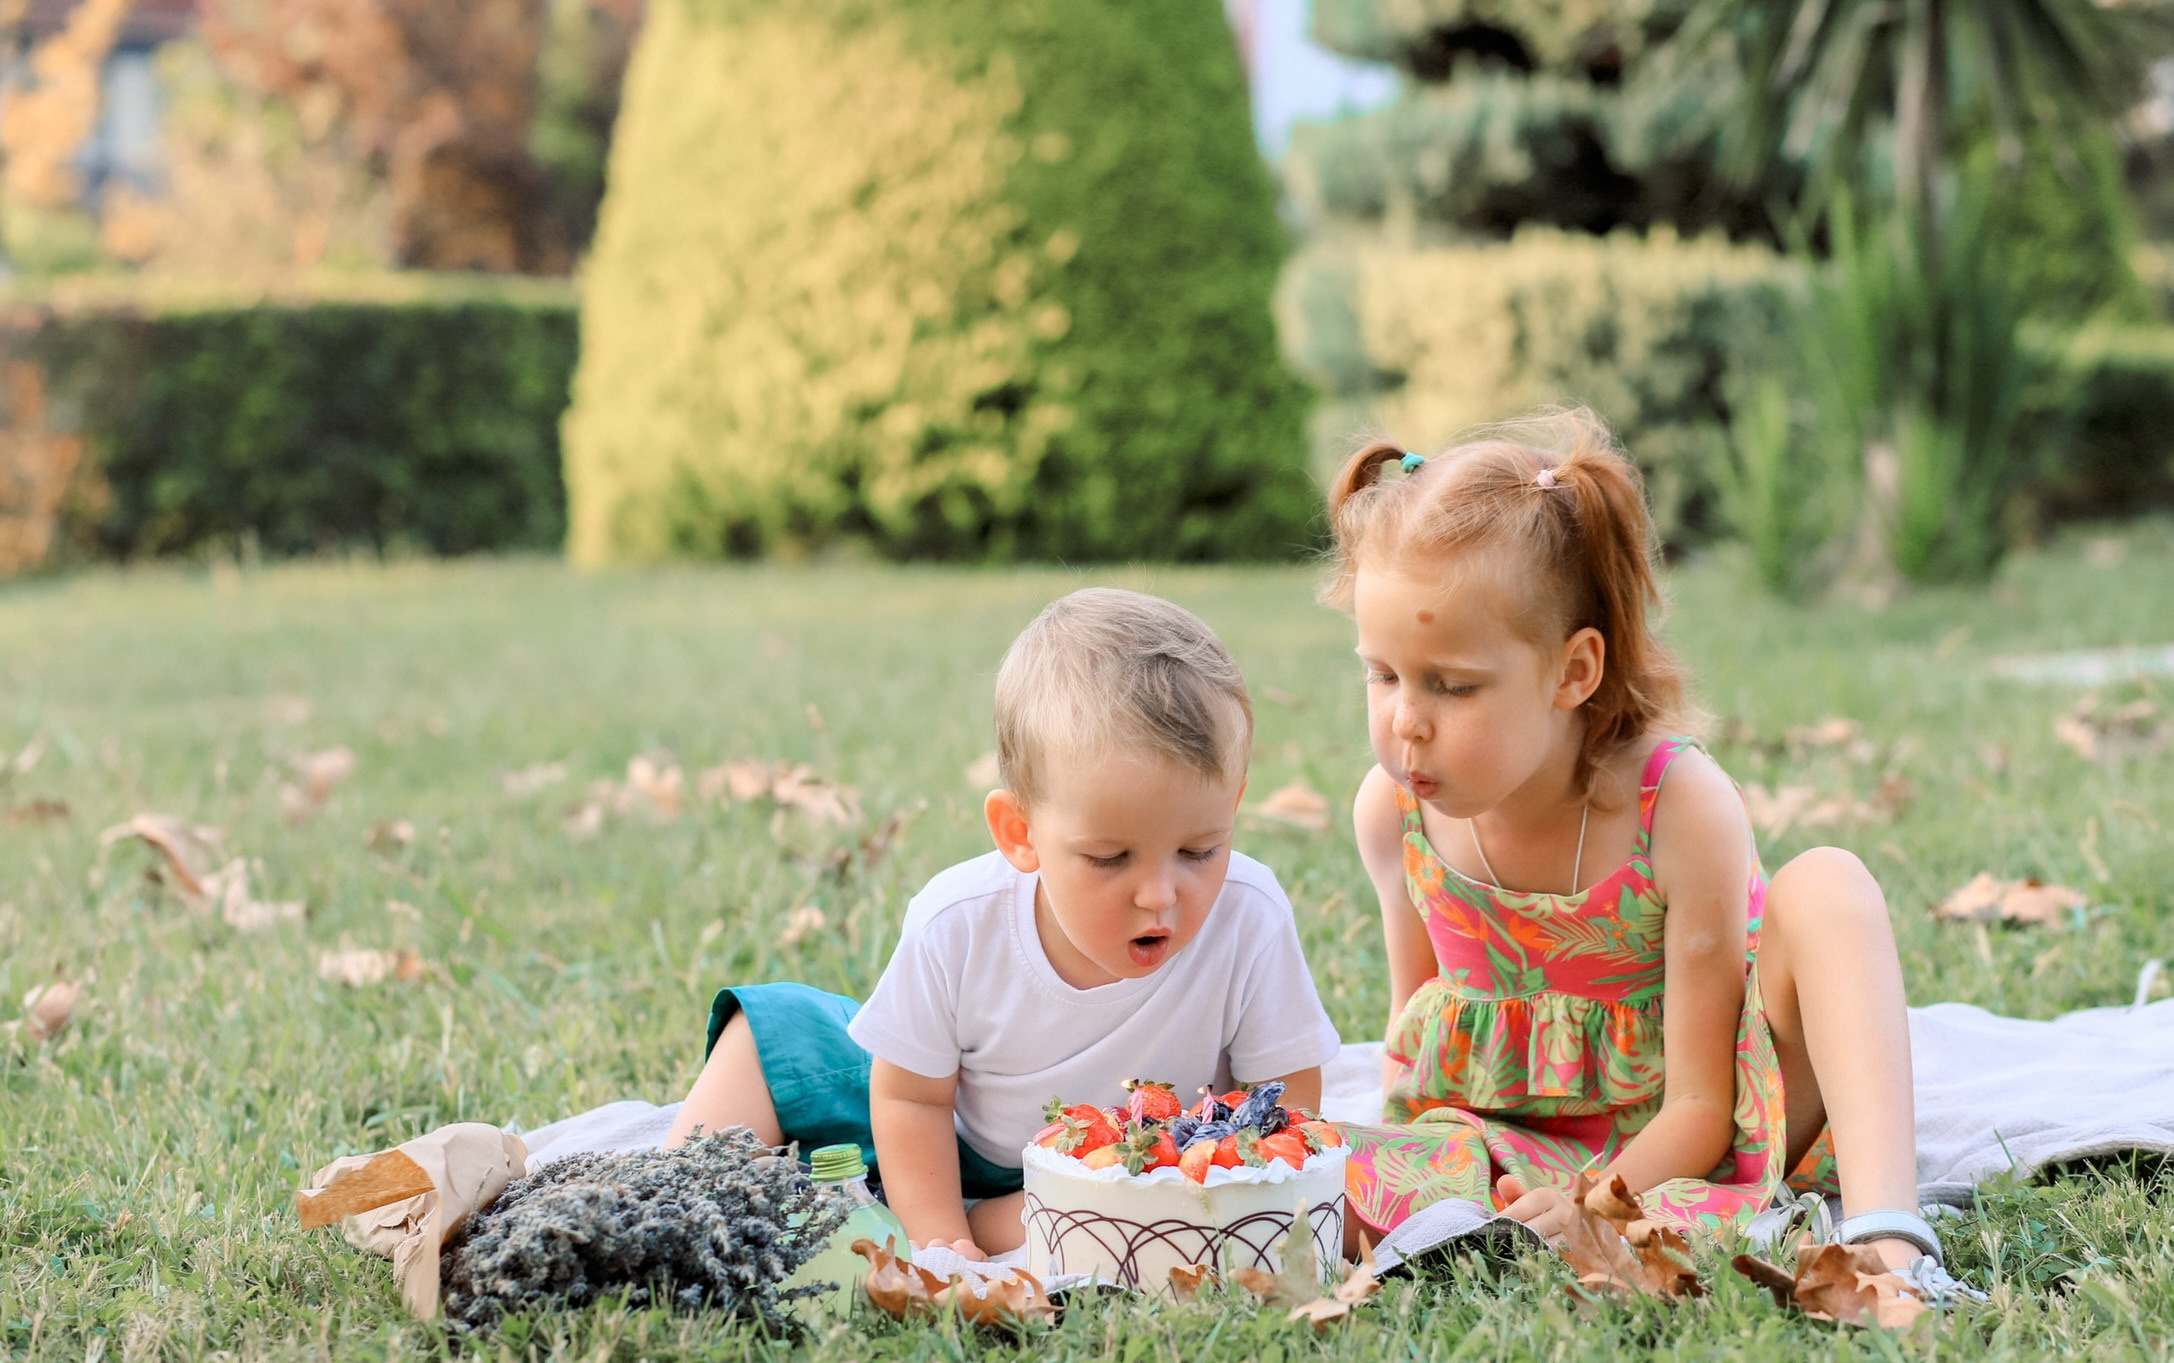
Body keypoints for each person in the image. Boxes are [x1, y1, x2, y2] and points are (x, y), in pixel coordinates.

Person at [1325, 408, 1967, 1296]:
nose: (1406, 721)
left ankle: (1893, 1246)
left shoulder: (1676, 809)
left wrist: (1594, 1198)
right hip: (1503, 1143)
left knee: (1829, 884)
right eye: (1382, 673)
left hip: (1708, 1121)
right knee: (1313, 1184)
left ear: (1573, 672)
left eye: (1452, 685)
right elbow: (1420, 1055)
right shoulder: (1392, 814)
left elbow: (1703, 1107)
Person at [665, 588, 1342, 1260]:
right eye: (1110, 858)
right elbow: (908, 1098)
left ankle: (987, 1218)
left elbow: (1283, 1106)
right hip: (945, 1130)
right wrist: (940, 1243)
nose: (1160, 896)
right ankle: (663, 1204)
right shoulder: (958, 923)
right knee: (779, 1034)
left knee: (1140, 1207)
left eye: (1200, 850)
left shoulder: (1250, 912)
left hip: (1135, 1159)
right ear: (1020, 833)